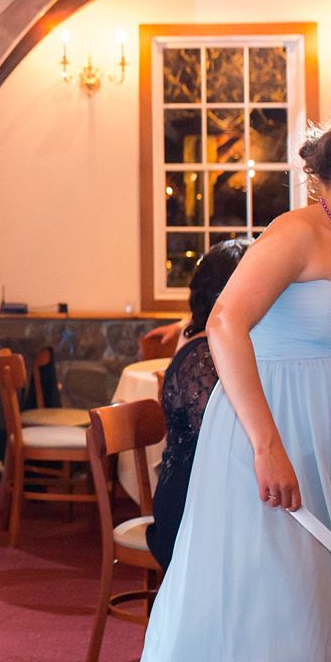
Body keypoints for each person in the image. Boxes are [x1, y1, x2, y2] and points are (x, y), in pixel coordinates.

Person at [141, 110, 331, 662]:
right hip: (279, 431)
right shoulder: (294, 233)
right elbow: (224, 322)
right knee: (290, 610)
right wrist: (267, 445)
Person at [145, 237, 250, 570]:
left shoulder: (230, 346)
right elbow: (222, 442)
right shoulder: (201, 358)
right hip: (193, 503)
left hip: (223, 492)